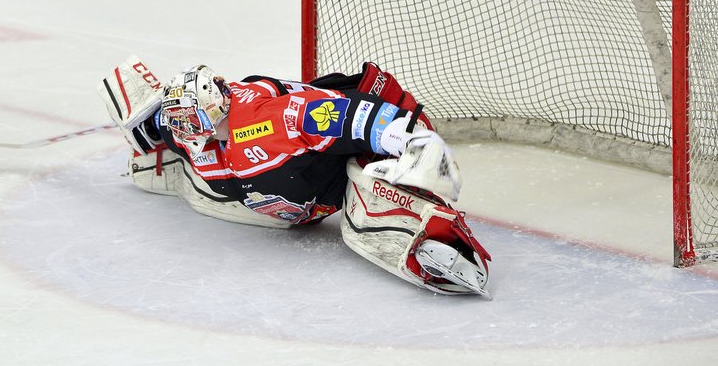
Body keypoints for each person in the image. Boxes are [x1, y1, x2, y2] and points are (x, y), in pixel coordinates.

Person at [97, 56, 491, 297]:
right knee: (201, 185)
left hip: (356, 149)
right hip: (304, 190)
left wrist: (409, 138)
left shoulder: (268, 122)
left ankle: (444, 243)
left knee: (363, 213)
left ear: (210, 113)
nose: (180, 130)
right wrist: (147, 127)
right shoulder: (206, 125)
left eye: (185, 121)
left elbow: (344, 114)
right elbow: (173, 127)